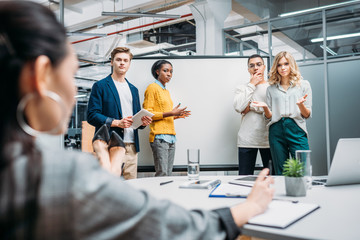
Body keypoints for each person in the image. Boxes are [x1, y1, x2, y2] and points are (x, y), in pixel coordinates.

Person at [0, 1, 274, 239]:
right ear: (41, 75)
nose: (73, 92)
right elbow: (166, 228)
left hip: (130, 146)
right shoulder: (59, 175)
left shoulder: (133, 89)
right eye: (70, 74)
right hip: (113, 144)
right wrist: (250, 207)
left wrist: (129, 139)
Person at [87, 47, 152, 179]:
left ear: (129, 64)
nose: (122, 63)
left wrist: (142, 123)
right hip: (110, 145)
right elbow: (92, 115)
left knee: (131, 185)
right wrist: (116, 123)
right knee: (110, 186)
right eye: (118, 60)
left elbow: (135, 119)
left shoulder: (133, 89)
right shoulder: (100, 86)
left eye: (125, 60)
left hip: (132, 147)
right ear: (112, 62)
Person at [252, 51, 312, 175]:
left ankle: (302, 193)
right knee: (280, 171)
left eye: (286, 64)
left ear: (292, 65)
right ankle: (281, 194)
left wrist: (300, 105)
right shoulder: (271, 89)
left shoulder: (303, 85)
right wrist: (265, 108)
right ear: (276, 67)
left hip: (296, 128)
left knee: (302, 169)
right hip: (276, 130)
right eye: (279, 65)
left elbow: (307, 115)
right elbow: (268, 117)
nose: (283, 68)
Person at [143, 60, 191, 176]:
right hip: (159, 138)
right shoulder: (152, 88)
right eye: (165, 71)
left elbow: (163, 115)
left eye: (171, 72)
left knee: (168, 174)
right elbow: (147, 115)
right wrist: (171, 113)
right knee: (162, 174)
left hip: (171, 138)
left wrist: (175, 115)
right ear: (157, 71)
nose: (169, 74)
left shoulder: (166, 91)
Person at [233, 54, 272, 175]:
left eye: (259, 64)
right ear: (248, 69)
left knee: (272, 177)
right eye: (252, 65)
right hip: (247, 139)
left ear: (264, 67)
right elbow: (239, 107)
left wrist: (251, 106)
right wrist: (252, 85)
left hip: (269, 139)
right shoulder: (243, 88)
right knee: (244, 177)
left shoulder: (272, 87)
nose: (256, 68)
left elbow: (274, 111)